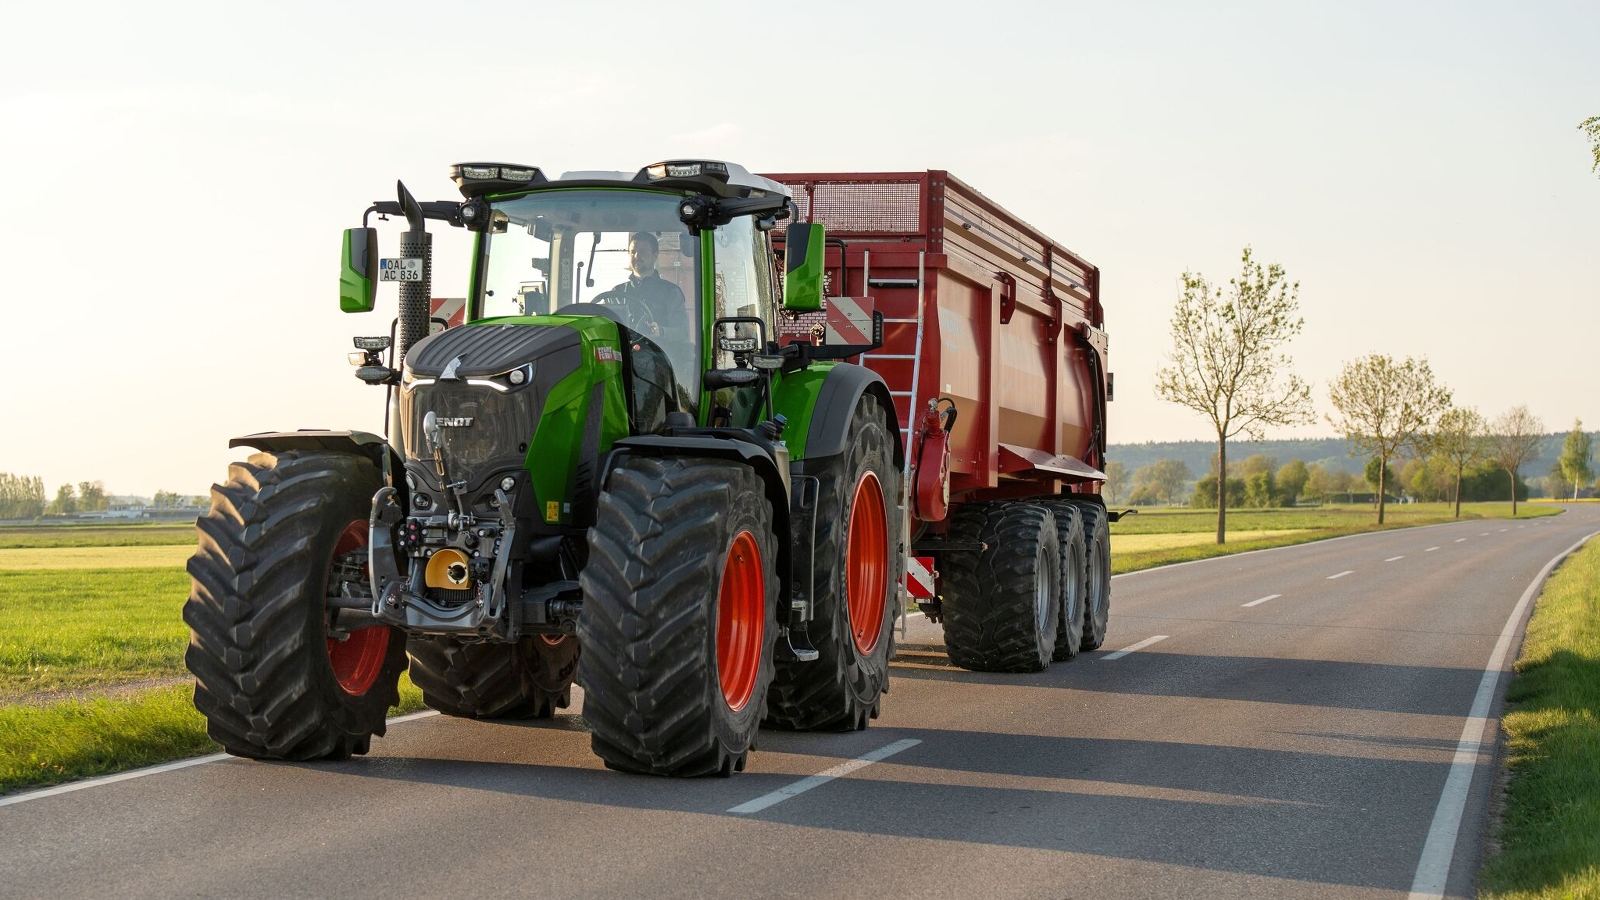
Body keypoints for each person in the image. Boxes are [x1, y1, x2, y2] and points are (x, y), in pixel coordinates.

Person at [599, 232, 688, 338]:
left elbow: (682, 332)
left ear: (655, 256)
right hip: (623, 352)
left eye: (643, 251)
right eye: (632, 252)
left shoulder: (671, 292)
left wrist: (661, 332)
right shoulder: (616, 293)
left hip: (659, 352)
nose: (636, 256)